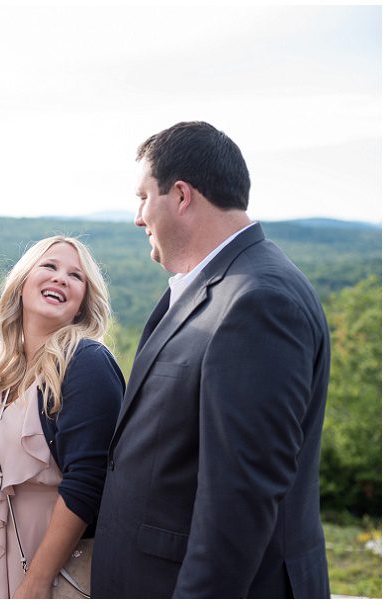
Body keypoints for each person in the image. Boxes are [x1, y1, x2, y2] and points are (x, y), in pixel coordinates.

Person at [91, 121, 331, 598]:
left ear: (181, 196)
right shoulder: (211, 286)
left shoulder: (259, 302)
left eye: (143, 197)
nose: (138, 217)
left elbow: (239, 501)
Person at [0, 236, 124, 598]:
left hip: (54, 567)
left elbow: (88, 481)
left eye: (75, 276)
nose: (61, 278)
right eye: (49, 266)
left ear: (83, 304)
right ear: (22, 282)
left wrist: (36, 582)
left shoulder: (86, 362)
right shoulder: (2, 373)